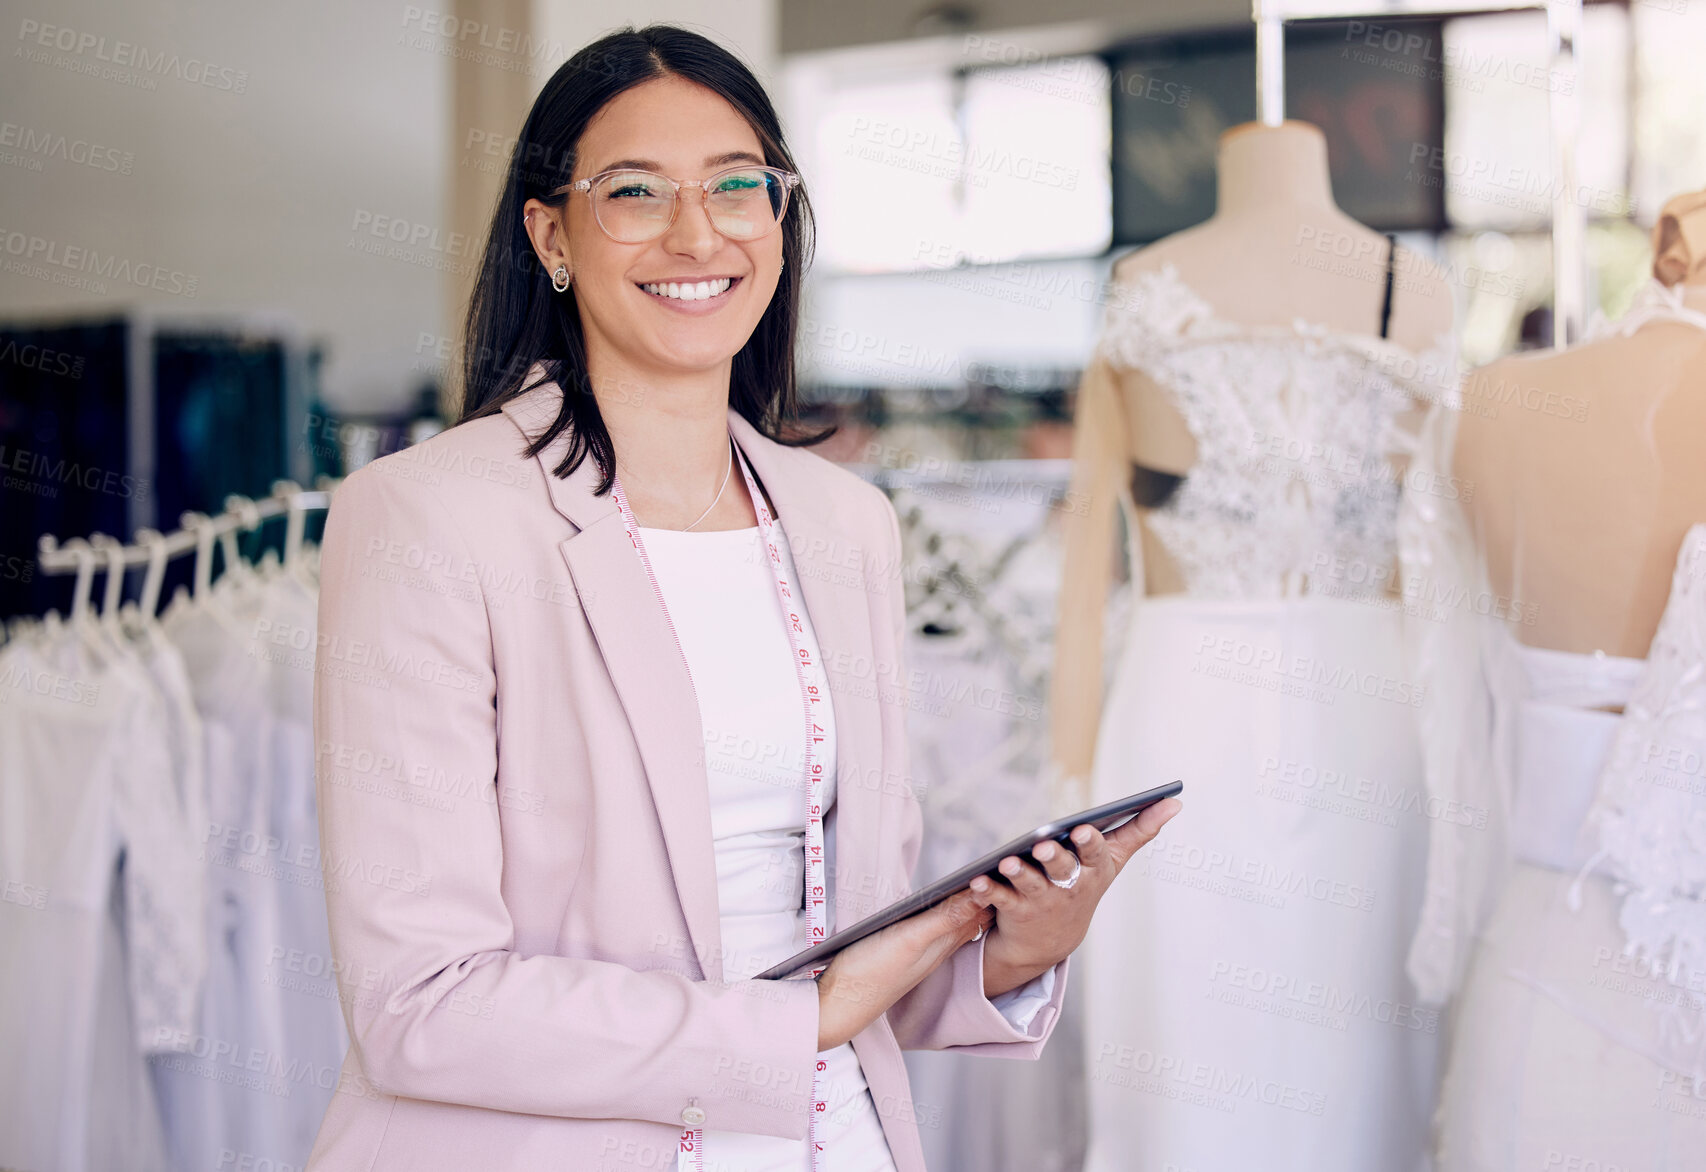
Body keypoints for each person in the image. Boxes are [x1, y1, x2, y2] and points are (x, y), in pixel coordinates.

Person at [304, 24, 1179, 1172]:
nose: (695, 231)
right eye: (633, 192)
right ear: (549, 233)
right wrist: (797, 1020)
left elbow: (855, 940)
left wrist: (1013, 945)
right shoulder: (425, 518)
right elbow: (420, 1002)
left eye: (737, 187)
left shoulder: (841, 522)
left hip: (836, 1141)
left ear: (779, 220)